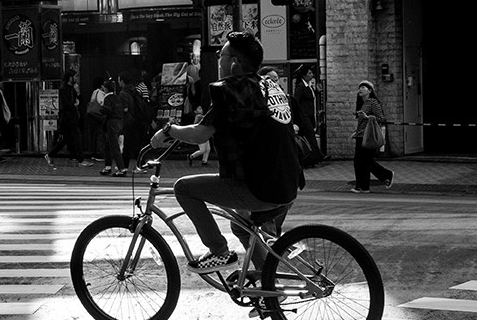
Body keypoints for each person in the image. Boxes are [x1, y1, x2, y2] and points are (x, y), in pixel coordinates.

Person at [151, 32, 301, 271]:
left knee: (184, 188)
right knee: (241, 225)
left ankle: (218, 251)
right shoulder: (270, 86)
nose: (218, 61)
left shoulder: (230, 90)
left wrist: (169, 130)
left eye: (221, 56)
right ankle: (268, 286)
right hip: (289, 183)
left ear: (233, 63)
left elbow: (200, 133)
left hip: (259, 188)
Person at [352, 80, 394, 192]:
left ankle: (385, 175)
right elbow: (361, 122)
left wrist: (368, 117)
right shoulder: (362, 103)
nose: (360, 89)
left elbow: (381, 118)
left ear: (370, 90)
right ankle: (363, 186)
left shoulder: (373, 102)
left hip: (368, 136)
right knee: (360, 161)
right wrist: (356, 132)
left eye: (364, 87)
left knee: (364, 161)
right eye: (359, 87)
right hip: (360, 135)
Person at [46, 69, 88, 167]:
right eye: (75, 76)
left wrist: (78, 93)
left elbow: (81, 100)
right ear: (70, 77)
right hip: (67, 118)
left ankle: (50, 155)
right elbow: (66, 104)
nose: (76, 78)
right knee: (77, 137)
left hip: (73, 117)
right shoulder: (63, 89)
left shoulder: (73, 88)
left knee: (67, 139)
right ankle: (81, 160)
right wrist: (74, 104)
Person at [291, 65, 320, 165]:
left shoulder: (309, 86)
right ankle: (317, 155)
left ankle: (311, 158)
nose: (311, 75)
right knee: (310, 136)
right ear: (304, 75)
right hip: (304, 116)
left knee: (307, 136)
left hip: (309, 115)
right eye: (309, 73)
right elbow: (296, 101)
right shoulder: (300, 87)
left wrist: (316, 92)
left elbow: (309, 97)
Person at [100, 76, 127, 176]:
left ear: (106, 89)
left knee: (114, 146)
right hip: (120, 122)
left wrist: (101, 109)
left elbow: (107, 110)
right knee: (108, 145)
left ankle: (121, 168)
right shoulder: (118, 97)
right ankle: (107, 166)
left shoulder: (107, 98)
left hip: (111, 123)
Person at [85, 76, 110, 161]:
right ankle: (99, 154)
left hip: (92, 116)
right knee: (100, 134)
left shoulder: (94, 92)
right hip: (98, 117)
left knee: (95, 135)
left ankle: (95, 153)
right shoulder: (100, 93)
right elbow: (101, 103)